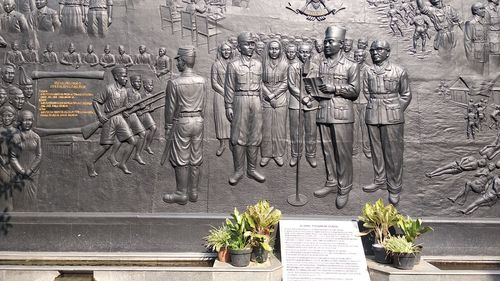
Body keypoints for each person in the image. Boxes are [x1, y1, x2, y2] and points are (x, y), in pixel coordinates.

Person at [307, 26, 360, 209]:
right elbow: (317, 86)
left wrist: (335, 88)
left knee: (342, 154)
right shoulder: (321, 64)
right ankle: (331, 182)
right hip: (324, 112)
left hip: (342, 114)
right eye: (326, 41)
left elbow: (355, 91)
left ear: (342, 44)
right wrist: (310, 92)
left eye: (331, 41)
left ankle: (344, 187)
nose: (327, 45)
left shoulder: (351, 65)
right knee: (328, 152)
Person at [362, 40, 412, 205]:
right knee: (377, 151)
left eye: (379, 49)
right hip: (373, 113)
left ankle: (395, 187)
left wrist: (395, 110)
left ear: (388, 52)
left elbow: (406, 95)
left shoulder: (398, 71)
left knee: (393, 154)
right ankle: (380, 179)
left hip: (392, 116)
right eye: (373, 50)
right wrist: (377, 105)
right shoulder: (367, 71)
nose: (375, 52)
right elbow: (366, 91)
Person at [163, 46, 207, 205]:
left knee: (181, 159)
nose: (177, 64)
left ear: (182, 61)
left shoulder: (174, 83)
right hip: (198, 122)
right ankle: (194, 192)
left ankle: (181, 193)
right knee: (195, 157)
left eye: (178, 60)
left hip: (181, 123)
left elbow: (170, 109)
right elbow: (204, 104)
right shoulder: (202, 81)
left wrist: (168, 127)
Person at [224, 32, 266, 185]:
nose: (250, 47)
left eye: (252, 44)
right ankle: (238, 170)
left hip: (255, 100)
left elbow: (261, 85)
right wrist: (228, 105)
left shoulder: (259, 64)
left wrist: (261, 104)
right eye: (247, 44)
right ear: (240, 47)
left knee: (255, 135)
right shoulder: (233, 65)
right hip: (240, 99)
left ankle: (252, 169)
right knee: (238, 136)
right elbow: (229, 87)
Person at [86, 67, 137, 177]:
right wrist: (100, 115)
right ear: (116, 77)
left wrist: (127, 109)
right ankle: (90, 162)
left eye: (126, 76)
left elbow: (124, 107)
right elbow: (95, 101)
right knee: (106, 146)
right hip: (110, 119)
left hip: (119, 118)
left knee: (132, 141)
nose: (126, 79)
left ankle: (122, 164)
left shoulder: (124, 91)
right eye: (123, 76)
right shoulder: (108, 89)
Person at [287, 42, 319, 168]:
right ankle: (296, 154)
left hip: (312, 101)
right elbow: (291, 85)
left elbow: (317, 84)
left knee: (311, 131)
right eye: (302, 52)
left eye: (307, 52)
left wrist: (310, 97)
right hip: (296, 102)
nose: (304, 54)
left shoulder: (316, 67)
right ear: (298, 53)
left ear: (310, 54)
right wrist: (302, 97)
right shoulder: (293, 67)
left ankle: (311, 155)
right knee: (296, 131)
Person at [260, 39, 289, 167]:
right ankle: (266, 153)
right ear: (268, 49)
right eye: (271, 48)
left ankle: (278, 153)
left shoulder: (285, 64)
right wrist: (269, 95)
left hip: (280, 98)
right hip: (266, 97)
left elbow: (286, 82)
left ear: (280, 50)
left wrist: (275, 94)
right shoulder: (262, 63)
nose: (273, 51)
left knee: (279, 127)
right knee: (266, 127)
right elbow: (259, 81)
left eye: (276, 49)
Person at [108, 75, 146, 166]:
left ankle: (137, 155)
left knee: (142, 133)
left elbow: (139, 106)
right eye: (137, 81)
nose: (139, 84)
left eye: (140, 82)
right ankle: (112, 155)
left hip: (132, 115)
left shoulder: (138, 94)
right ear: (132, 83)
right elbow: (121, 103)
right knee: (121, 137)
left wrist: (141, 107)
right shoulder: (126, 91)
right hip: (125, 116)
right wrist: (124, 111)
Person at [10, 110, 42, 208]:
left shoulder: (36, 137)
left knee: (32, 199)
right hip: (18, 173)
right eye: (24, 120)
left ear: (32, 121)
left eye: (29, 120)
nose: (27, 123)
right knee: (18, 199)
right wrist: (22, 171)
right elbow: (12, 156)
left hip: (33, 173)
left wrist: (31, 170)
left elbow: (39, 155)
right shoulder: (15, 137)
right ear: (20, 121)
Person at [211, 42, 232, 156]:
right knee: (221, 119)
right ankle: (222, 143)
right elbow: (214, 83)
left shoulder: (234, 64)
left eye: (228, 49)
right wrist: (225, 93)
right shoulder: (216, 64)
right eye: (224, 50)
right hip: (220, 95)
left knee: (232, 119)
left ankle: (231, 143)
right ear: (220, 51)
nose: (226, 52)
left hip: (233, 95)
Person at [353, 49, 371, 159]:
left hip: (365, 100)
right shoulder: (351, 68)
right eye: (356, 56)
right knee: (353, 127)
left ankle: (367, 148)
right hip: (353, 101)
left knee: (365, 126)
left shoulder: (369, 69)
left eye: (360, 56)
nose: (358, 58)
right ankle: (354, 148)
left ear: (364, 57)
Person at [464, 2, 489, 75]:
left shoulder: (484, 22)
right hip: (476, 54)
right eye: (481, 9)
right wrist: (470, 58)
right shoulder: (470, 23)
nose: (484, 10)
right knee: (478, 75)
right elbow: (467, 41)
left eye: (484, 8)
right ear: (475, 11)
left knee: (484, 74)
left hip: (485, 52)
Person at [139, 78, 157, 155]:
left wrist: (151, 108)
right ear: (145, 86)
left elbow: (150, 107)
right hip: (140, 114)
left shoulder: (151, 95)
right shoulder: (140, 95)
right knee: (142, 132)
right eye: (150, 85)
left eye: (152, 85)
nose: (151, 87)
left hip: (146, 113)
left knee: (153, 128)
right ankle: (138, 152)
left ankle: (147, 146)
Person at [486, 0, 500, 70]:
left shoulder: (497, 9)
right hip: (493, 39)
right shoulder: (486, 10)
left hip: (497, 36)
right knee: (494, 61)